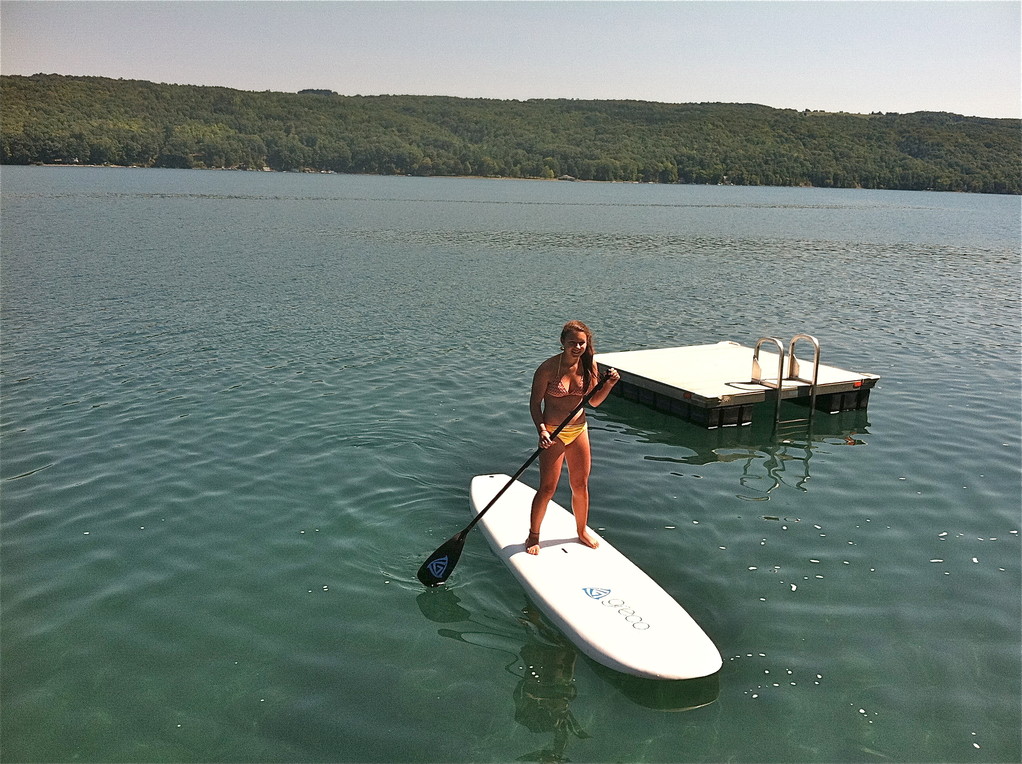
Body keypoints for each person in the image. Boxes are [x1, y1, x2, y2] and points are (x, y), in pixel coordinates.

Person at [527, 320, 619, 555]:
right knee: (548, 488)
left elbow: (595, 402)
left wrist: (609, 384)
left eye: (581, 343)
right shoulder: (547, 368)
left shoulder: (590, 366)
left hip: (579, 429)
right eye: (572, 343)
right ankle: (534, 534)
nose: (577, 347)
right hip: (553, 432)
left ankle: (581, 530)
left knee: (580, 484)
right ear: (562, 343)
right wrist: (542, 430)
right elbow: (535, 404)